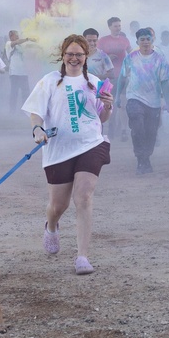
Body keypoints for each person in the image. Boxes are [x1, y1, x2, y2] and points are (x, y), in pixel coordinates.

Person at [23, 35, 114, 275]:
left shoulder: (94, 82)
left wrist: (109, 106)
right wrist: (37, 128)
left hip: (91, 144)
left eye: (79, 54)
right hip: (59, 150)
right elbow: (35, 111)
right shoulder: (51, 81)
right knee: (58, 204)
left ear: (86, 57)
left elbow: (101, 118)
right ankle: (51, 226)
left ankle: (82, 256)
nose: (74, 58)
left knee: (83, 197)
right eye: (70, 54)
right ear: (62, 55)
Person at [117, 27, 169, 174]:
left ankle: (146, 158)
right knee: (137, 128)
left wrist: (168, 101)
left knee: (151, 132)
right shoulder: (130, 58)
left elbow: (165, 81)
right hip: (134, 98)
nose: (145, 42)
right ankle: (141, 159)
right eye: (142, 39)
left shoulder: (160, 59)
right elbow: (122, 77)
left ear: (152, 41)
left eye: (148, 39)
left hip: (153, 101)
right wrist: (117, 97)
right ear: (137, 42)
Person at [98, 17, 132, 140]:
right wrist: (107, 57)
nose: (118, 28)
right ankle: (110, 127)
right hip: (108, 78)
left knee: (122, 104)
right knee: (108, 104)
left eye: (119, 26)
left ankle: (123, 130)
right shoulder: (103, 41)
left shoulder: (125, 40)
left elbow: (132, 54)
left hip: (122, 77)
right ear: (110, 27)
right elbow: (96, 56)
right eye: (115, 26)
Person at [4, 30, 36, 112]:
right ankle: (12, 111)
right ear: (11, 37)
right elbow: (16, 42)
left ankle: (24, 111)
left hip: (24, 73)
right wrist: (27, 39)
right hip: (14, 73)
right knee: (14, 93)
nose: (18, 37)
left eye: (18, 35)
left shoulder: (21, 45)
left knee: (25, 93)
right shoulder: (8, 44)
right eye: (16, 35)